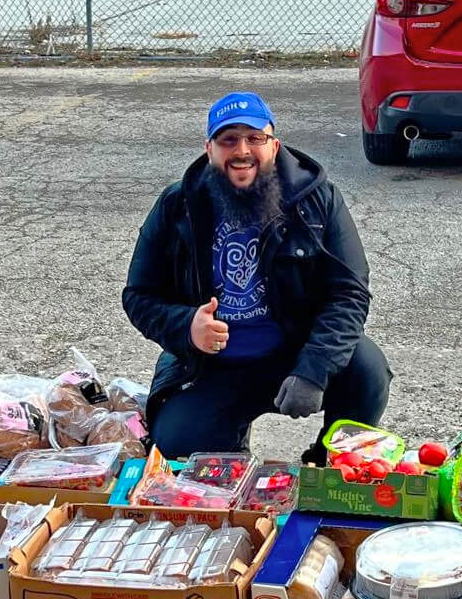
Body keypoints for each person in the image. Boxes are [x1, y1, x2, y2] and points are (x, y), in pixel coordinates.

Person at [122, 91, 392, 464]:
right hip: (211, 365)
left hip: (294, 352)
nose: (242, 150)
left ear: (274, 145)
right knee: (178, 448)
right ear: (209, 149)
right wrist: (187, 327)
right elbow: (139, 294)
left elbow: (349, 293)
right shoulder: (176, 205)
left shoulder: (318, 199)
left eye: (254, 138)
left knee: (367, 370)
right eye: (228, 140)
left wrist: (314, 370)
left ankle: (330, 460)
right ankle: (231, 447)